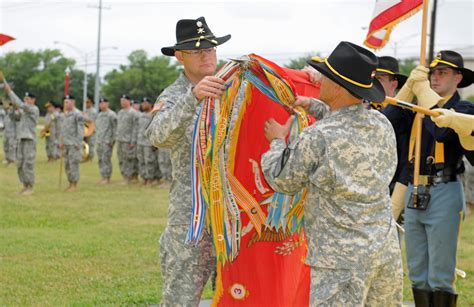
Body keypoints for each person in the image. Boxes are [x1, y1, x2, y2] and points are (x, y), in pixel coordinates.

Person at [260, 41, 402, 306]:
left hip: (341, 261)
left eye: (325, 76)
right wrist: (312, 104)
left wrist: (277, 142)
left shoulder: (319, 136)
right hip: (384, 251)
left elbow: (281, 180)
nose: (320, 80)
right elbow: (347, 116)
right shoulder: (381, 123)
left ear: (337, 86)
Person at [145, 16, 230, 305]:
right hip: (190, 216)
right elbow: (157, 136)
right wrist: (192, 98)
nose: (207, 55)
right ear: (180, 57)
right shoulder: (173, 96)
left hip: (233, 216)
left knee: (237, 295)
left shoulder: (234, 89)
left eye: (210, 48)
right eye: (197, 51)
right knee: (180, 298)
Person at [398, 50, 474, 306]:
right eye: (432, 73)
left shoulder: (463, 109)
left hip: (444, 190)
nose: (435, 78)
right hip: (414, 189)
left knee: (441, 273)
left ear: (458, 77)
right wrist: (409, 89)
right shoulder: (419, 105)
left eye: (442, 72)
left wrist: (424, 95)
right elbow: (390, 121)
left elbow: (440, 130)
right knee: (417, 270)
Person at [374, 56, 411, 222]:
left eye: (379, 79)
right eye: (372, 78)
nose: (373, 83)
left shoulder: (403, 111)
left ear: (394, 84)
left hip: (392, 188)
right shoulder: (366, 107)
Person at [3, 84, 39, 195]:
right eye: (25, 99)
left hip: (29, 139)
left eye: (28, 99)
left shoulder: (33, 109)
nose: (26, 100)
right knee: (20, 164)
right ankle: (24, 185)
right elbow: (14, 117)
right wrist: (13, 107)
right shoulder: (24, 110)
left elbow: (21, 105)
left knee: (28, 163)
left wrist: (10, 92)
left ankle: (30, 186)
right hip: (21, 138)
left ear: (33, 100)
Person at [61, 95, 84, 192]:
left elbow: (80, 129)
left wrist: (78, 142)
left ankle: (74, 184)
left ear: (73, 102)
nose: (65, 104)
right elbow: (63, 129)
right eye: (65, 102)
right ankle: (70, 182)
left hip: (74, 143)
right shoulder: (66, 114)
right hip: (66, 142)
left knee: (73, 164)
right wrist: (62, 141)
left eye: (67, 102)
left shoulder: (77, 114)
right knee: (67, 164)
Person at [137, 97, 161, 185]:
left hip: (149, 142)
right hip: (140, 141)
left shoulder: (154, 114)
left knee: (150, 161)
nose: (143, 105)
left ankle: (151, 178)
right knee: (141, 160)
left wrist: (155, 142)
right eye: (142, 103)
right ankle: (145, 178)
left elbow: (156, 129)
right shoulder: (141, 115)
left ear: (150, 104)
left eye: (145, 103)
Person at [116, 94, 139, 184]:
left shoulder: (133, 113)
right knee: (121, 159)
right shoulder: (120, 112)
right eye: (121, 101)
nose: (122, 102)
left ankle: (129, 177)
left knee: (128, 159)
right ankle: (124, 176)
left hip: (128, 140)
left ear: (129, 101)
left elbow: (135, 128)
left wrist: (133, 141)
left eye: (124, 101)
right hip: (120, 139)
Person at [95, 98, 117, 184]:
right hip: (100, 140)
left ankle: (107, 177)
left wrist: (112, 141)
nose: (102, 105)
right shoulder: (99, 115)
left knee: (106, 159)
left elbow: (115, 129)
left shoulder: (112, 115)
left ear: (107, 104)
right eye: (100, 103)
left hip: (107, 141)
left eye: (103, 103)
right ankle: (103, 176)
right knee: (100, 159)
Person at [2, 100, 19, 165]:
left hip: (13, 133)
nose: (9, 107)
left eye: (10, 105)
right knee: (6, 145)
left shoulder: (15, 113)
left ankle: (12, 160)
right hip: (6, 132)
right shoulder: (6, 114)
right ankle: (7, 158)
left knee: (12, 146)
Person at [84, 95, 98, 162]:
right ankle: (86, 157)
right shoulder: (86, 110)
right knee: (86, 144)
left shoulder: (93, 111)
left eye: (88, 102)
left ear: (91, 103)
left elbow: (91, 120)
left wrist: (85, 117)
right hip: (86, 130)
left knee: (91, 144)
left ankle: (90, 158)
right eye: (86, 102)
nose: (86, 104)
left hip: (92, 130)